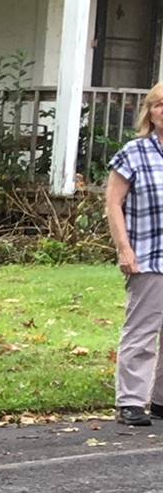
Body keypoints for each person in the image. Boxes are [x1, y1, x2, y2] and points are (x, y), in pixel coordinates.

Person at [105, 81, 163, 427]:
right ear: (150, 113)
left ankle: (160, 401)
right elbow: (113, 203)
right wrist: (124, 249)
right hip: (148, 255)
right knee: (142, 332)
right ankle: (130, 401)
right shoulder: (134, 153)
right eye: (159, 105)